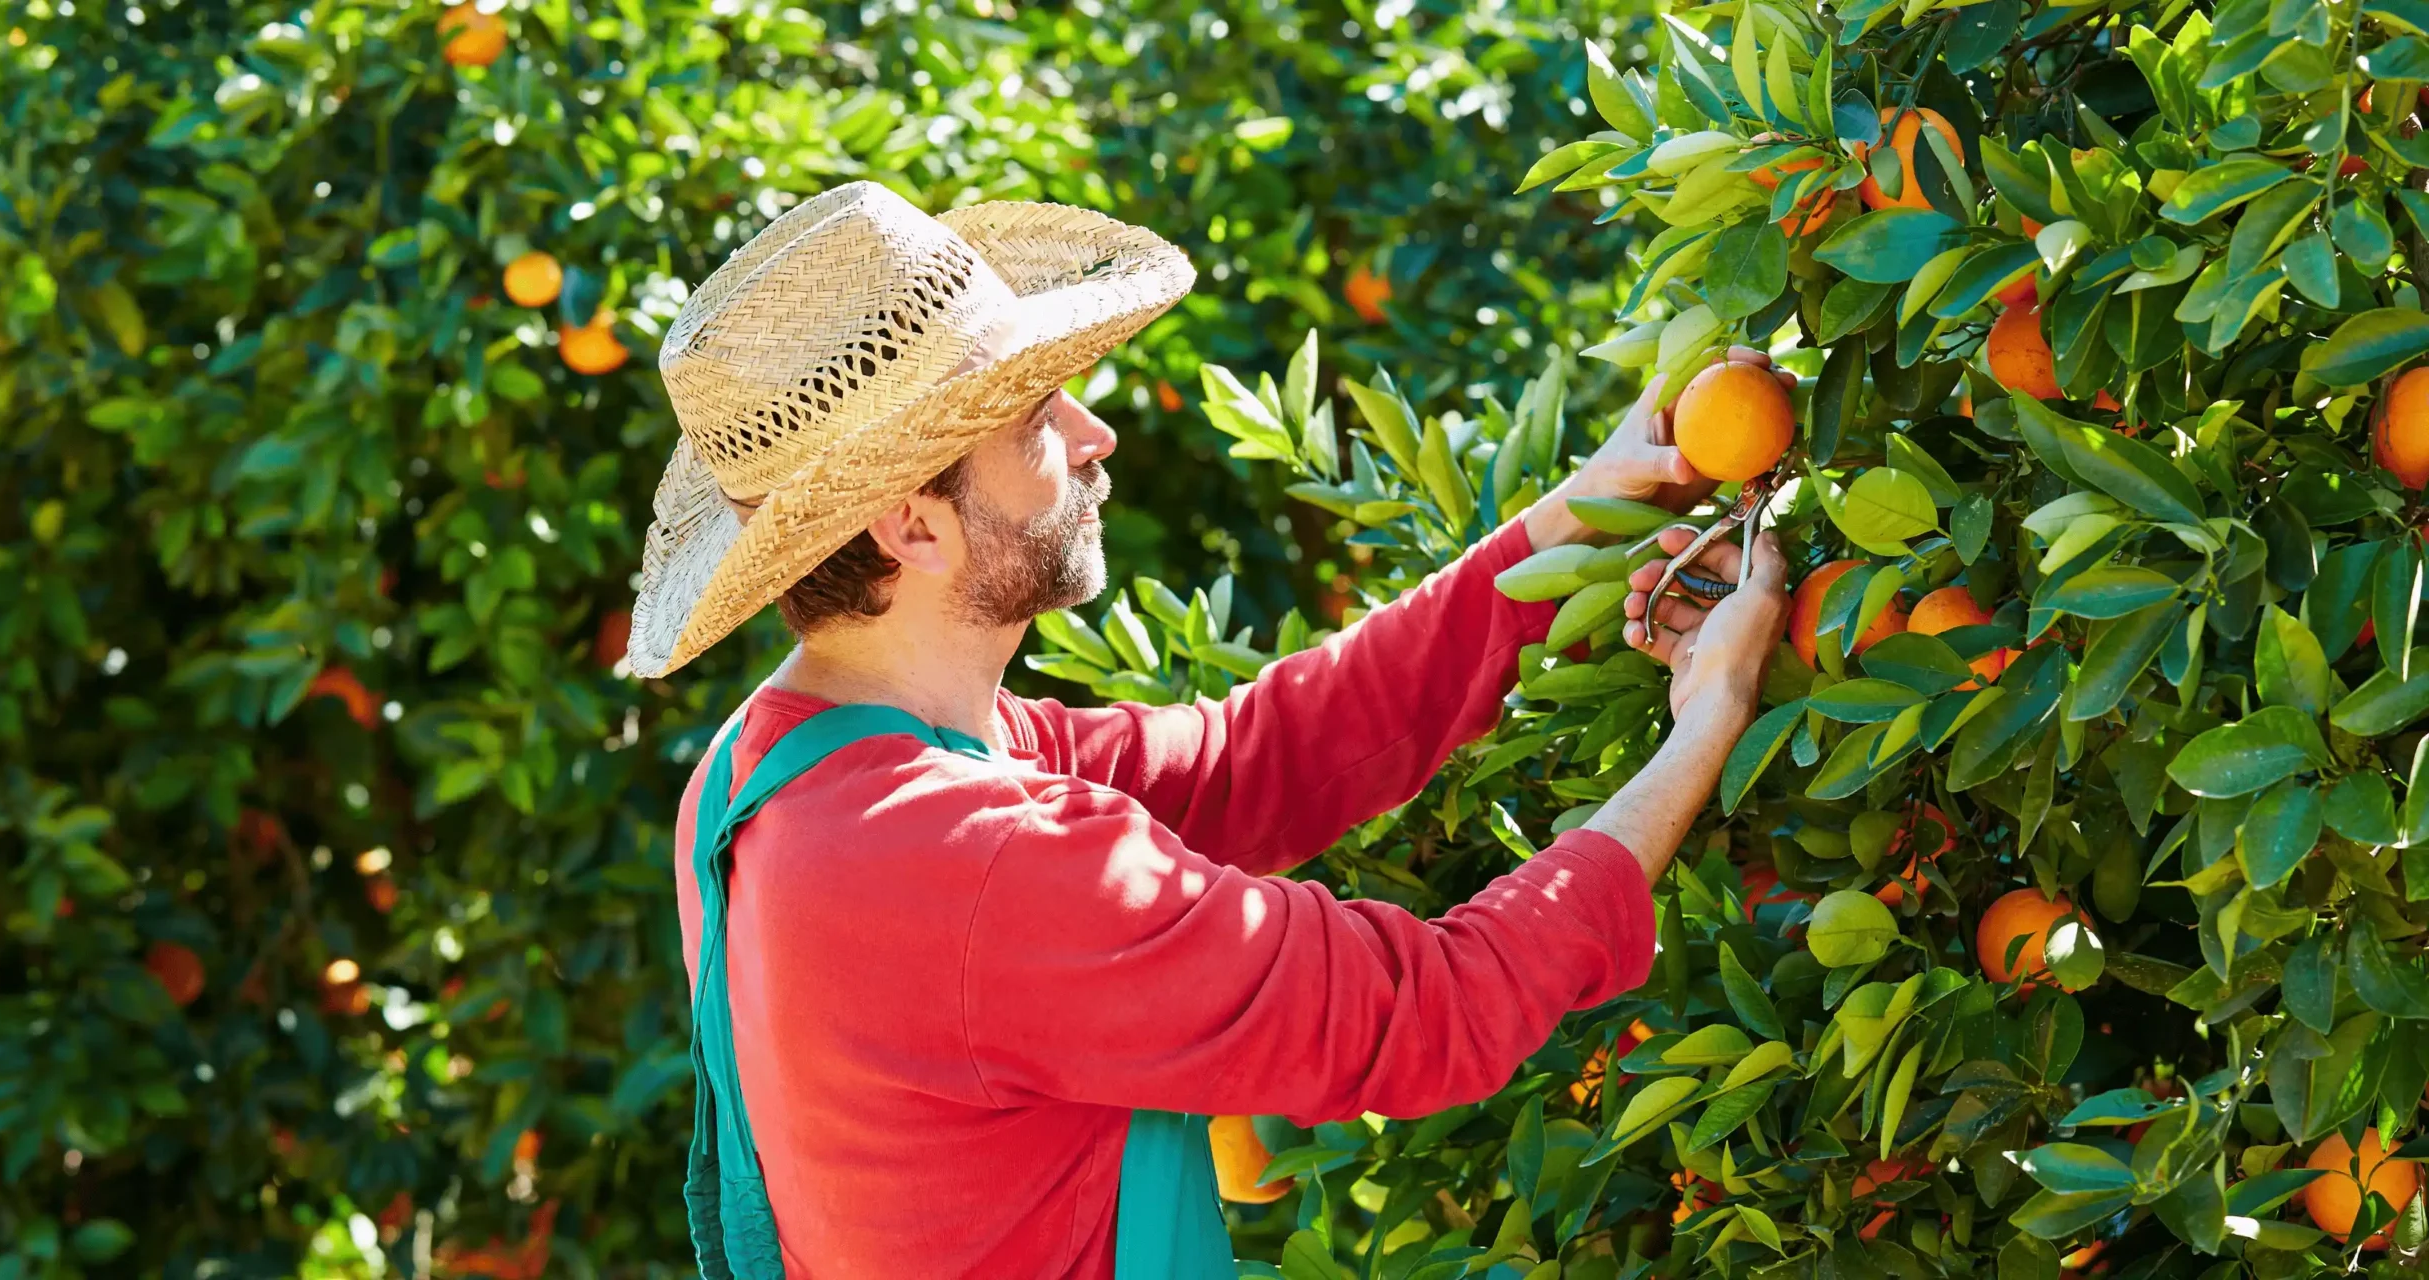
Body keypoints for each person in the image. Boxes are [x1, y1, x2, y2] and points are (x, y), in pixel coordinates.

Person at [626, 181, 1791, 1279]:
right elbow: (1433, 1005)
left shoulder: (763, 772)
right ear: (911, 526)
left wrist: (1577, 515)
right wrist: (1706, 725)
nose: (1095, 435)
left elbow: (1252, 757)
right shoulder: (982, 863)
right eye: (1036, 420)